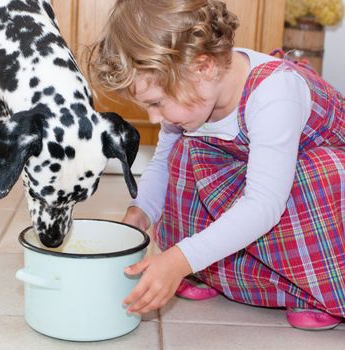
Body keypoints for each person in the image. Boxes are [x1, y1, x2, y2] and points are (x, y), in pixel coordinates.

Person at [88, 0, 345, 331]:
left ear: (203, 68)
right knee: (182, 152)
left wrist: (179, 258)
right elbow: (162, 166)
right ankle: (217, 274)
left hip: (312, 207)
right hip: (259, 193)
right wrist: (140, 214)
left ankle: (310, 290)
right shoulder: (193, 92)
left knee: (318, 174)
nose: (153, 118)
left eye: (156, 103)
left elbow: (264, 205)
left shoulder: (274, 93)